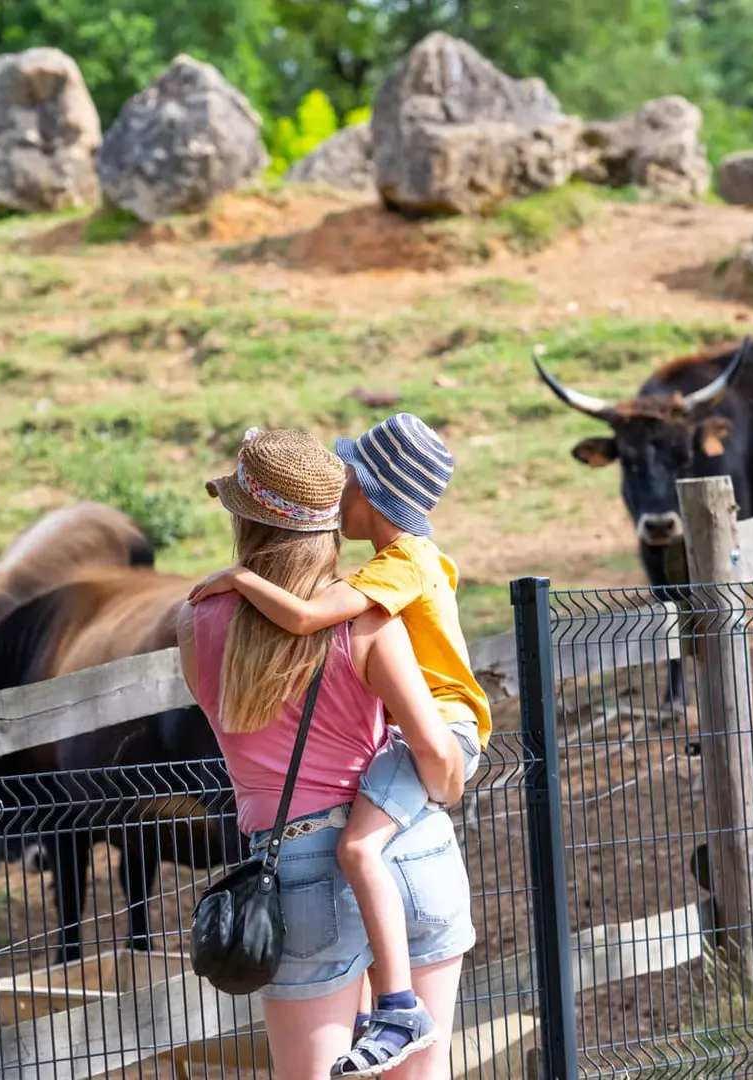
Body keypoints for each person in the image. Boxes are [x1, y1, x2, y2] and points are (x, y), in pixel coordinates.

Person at [189, 414, 490, 1078]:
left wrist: (238, 583)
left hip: (297, 874)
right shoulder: (370, 620)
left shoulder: (197, 622)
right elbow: (441, 772)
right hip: (413, 852)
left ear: (243, 521)